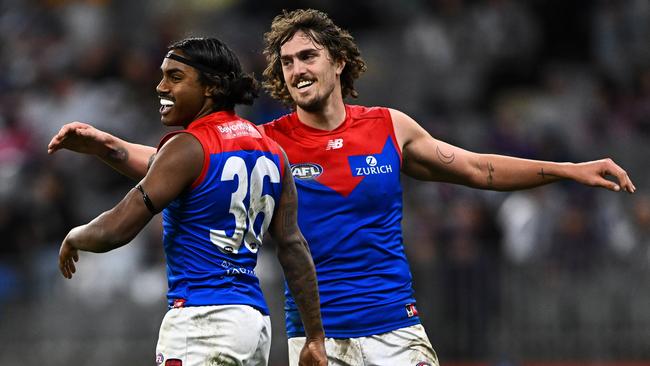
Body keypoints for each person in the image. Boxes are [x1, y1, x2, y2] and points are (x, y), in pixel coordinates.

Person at [48, 9, 636, 366]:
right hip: (315, 339)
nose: (297, 69)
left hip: (396, 328)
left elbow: (477, 168)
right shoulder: (267, 137)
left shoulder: (388, 126)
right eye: (286, 62)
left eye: (308, 56)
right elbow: (179, 169)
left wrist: (569, 170)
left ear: (338, 62)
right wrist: (105, 146)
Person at [52, 37, 327, 366]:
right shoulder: (272, 151)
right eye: (163, 75)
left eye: (175, 77)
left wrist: (75, 236)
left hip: (201, 323)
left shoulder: (188, 146)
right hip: (251, 322)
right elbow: (295, 248)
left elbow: (118, 227)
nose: (161, 86)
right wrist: (315, 337)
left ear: (210, 87)